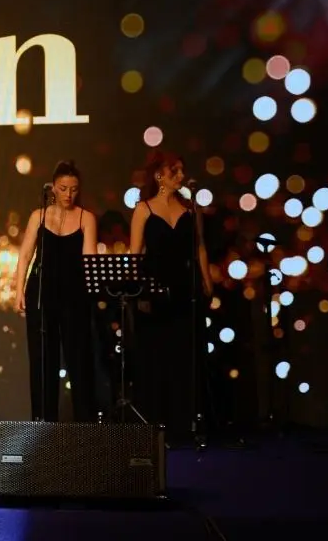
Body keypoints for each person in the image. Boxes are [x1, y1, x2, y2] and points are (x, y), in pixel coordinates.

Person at [129, 151, 214, 446]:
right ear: (159, 176)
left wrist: (207, 281)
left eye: (181, 170)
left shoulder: (191, 209)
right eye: (174, 171)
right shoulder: (144, 209)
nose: (180, 176)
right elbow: (136, 253)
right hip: (154, 291)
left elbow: (200, 247)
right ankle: (155, 427)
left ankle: (183, 426)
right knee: (156, 359)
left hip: (185, 289)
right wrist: (138, 291)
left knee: (184, 358)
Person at [14, 160, 99, 422]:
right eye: (63, 189)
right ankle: (43, 424)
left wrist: (94, 294)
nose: (68, 195)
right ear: (53, 187)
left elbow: (90, 260)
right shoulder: (38, 216)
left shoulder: (86, 218)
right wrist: (18, 290)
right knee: (42, 361)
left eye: (73, 189)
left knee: (79, 359)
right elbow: (25, 255)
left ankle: (85, 426)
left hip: (75, 296)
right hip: (41, 293)